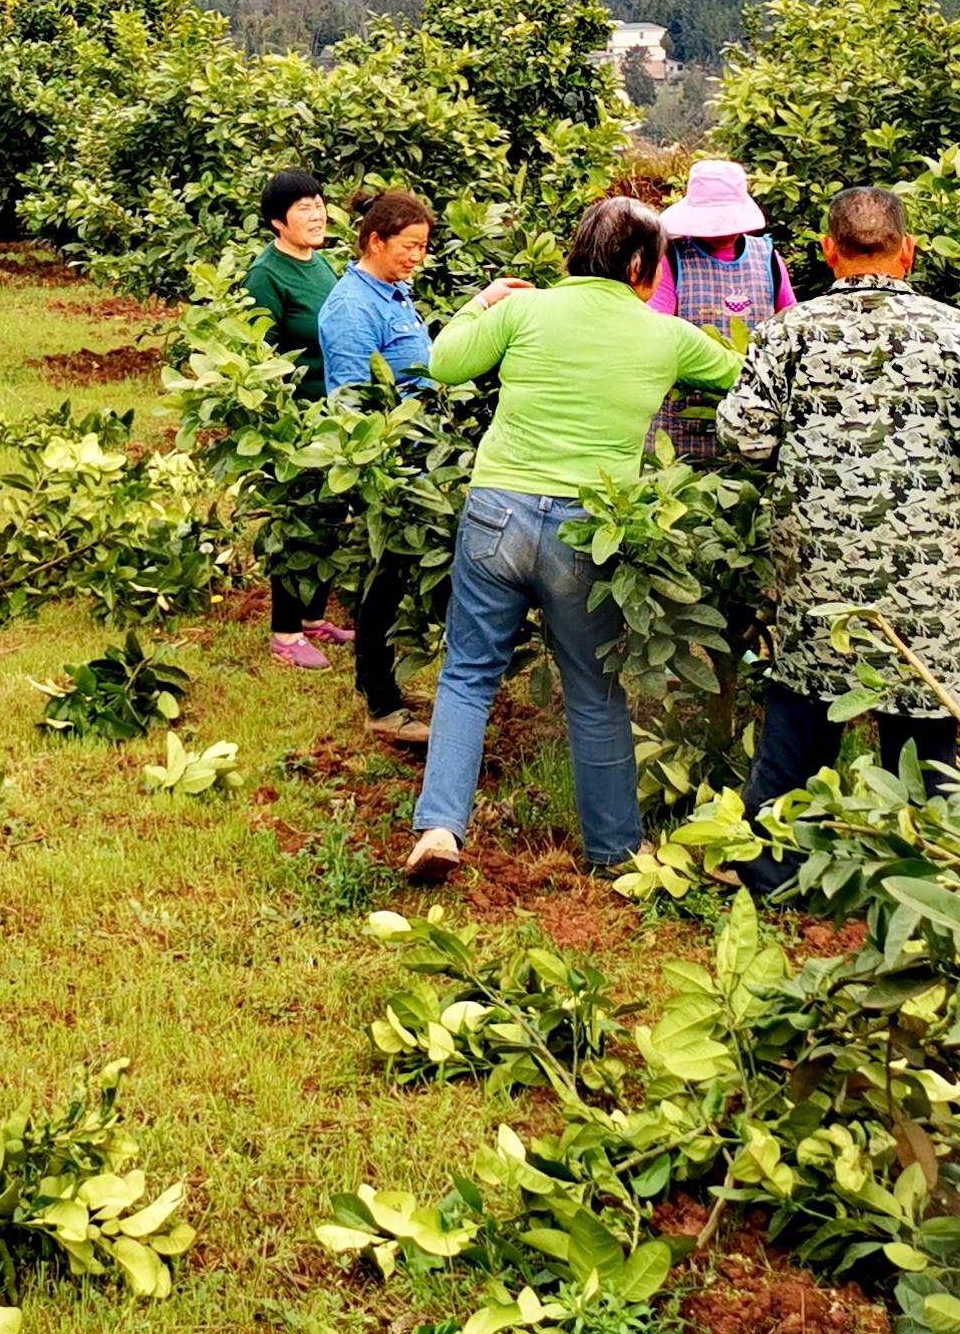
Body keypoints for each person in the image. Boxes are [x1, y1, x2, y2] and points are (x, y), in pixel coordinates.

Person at [397, 195, 751, 882]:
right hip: (587, 529)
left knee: (468, 676)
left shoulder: (526, 309)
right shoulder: (665, 335)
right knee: (594, 691)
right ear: (642, 265)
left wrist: (484, 300)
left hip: (497, 511)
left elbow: (441, 364)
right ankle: (616, 850)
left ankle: (440, 827)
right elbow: (747, 379)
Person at [715, 184, 960, 898]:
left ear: (828, 252)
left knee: (801, 717)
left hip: (818, 579)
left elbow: (740, 435)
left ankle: (775, 875)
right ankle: (932, 884)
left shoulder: (787, 333)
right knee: (925, 730)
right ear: (908, 251)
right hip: (928, 586)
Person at [313, 188, 448, 744]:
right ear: (375, 241)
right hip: (386, 465)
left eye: (423, 247)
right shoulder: (351, 309)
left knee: (395, 580)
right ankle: (381, 703)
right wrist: (388, 467)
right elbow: (351, 401)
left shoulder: (393, 291)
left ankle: (388, 687)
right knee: (382, 583)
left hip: (416, 453)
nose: (417, 257)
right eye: (409, 246)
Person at [243, 169, 352, 671]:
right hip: (295, 421)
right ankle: (285, 633)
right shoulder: (266, 276)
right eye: (302, 208)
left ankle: (311, 620)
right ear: (276, 222)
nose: (316, 214)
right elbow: (254, 355)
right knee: (297, 524)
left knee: (328, 518)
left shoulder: (322, 264)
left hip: (331, 414)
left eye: (318, 203)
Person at [647, 159, 798, 466]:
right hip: (679, 427)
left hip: (751, 425)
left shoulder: (767, 258)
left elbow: (790, 328)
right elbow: (653, 333)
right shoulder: (671, 259)